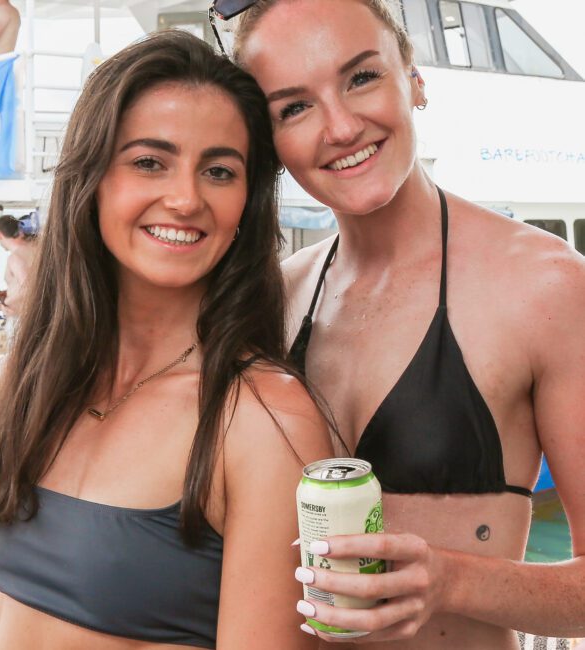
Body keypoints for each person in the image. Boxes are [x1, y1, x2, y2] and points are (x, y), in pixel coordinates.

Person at [0, 30, 334, 650]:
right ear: (93, 179)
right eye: (149, 162)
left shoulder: (263, 419)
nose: (186, 198)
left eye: (218, 171)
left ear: (247, 201)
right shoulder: (37, 376)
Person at [228, 0, 585, 648]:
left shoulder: (544, 287)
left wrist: (448, 580)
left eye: (361, 77)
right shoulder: (274, 299)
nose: (339, 126)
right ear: (269, 141)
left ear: (414, 81)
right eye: (294, 107)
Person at [0, 214, 36, 320]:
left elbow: (29, 288)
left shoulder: (15, 257)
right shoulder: (36, 248)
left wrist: (5, 304)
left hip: (23, 317)